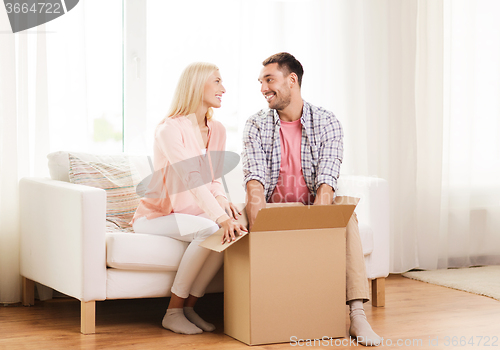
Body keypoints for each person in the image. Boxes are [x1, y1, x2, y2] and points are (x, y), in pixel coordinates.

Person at [242, 52, 382, 347]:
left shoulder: (327, 122)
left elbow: (327, 183)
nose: (263, 88)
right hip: (273, 210)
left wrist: (317, 226)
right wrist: (260, 219)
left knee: (346, 213)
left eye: (269, 80)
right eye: (261, 82)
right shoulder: (256, 125)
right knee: (241, 213)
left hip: (310, 209)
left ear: (292, 80)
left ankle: (357, 315)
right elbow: (254, 181)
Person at [131, 62, 247, 335]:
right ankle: (172, 311)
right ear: (197, 84)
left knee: (231, 232)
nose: (224, 89)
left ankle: (190, 308)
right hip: (155, 216)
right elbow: (191, 179)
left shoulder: (216, 129)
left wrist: (224, 204)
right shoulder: (169, 129)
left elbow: (213, 179)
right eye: (217, 81)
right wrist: (219, 217)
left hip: (192, 213)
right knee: (211, 228)